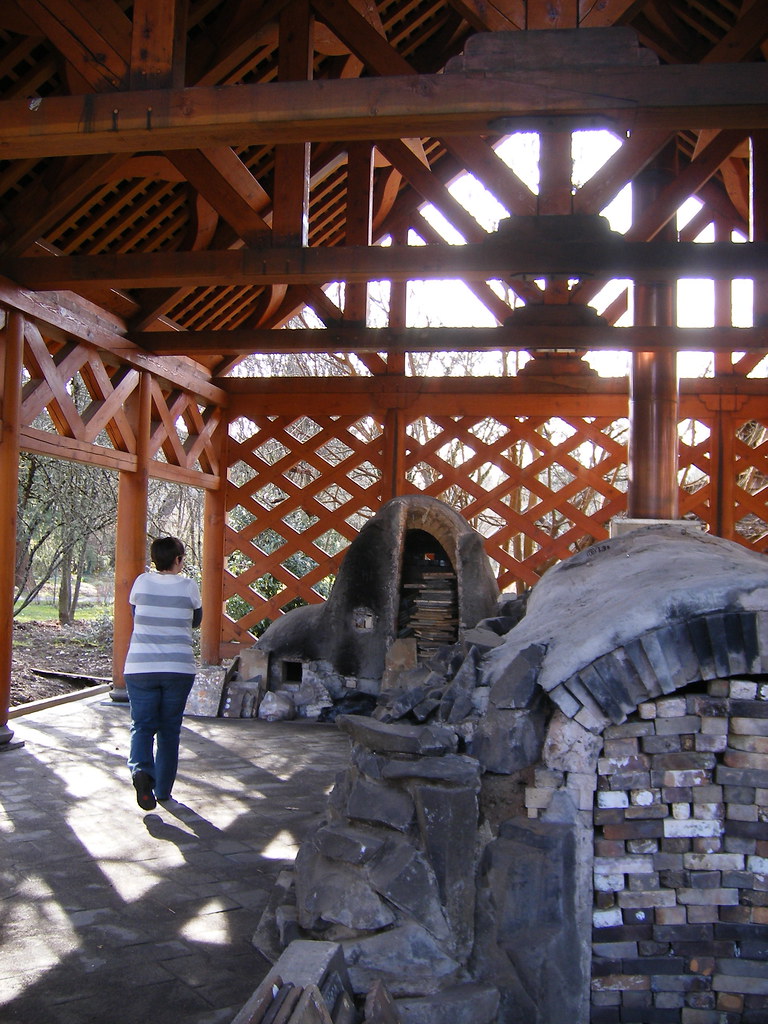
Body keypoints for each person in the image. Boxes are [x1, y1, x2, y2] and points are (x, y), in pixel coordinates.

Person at [124, 536, 202, 810]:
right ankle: (163, 790)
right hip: (178, 668)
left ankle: (142, 771)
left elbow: (136, 614)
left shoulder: (141, 582)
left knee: (142, 726)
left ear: (155, 559)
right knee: (170, 729)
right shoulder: (189, 586)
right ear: (178, 560)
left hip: (140, 667)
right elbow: (196, 622)